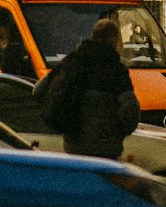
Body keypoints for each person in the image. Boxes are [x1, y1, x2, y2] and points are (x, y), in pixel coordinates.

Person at [53, 17, 141, 160]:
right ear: (113, 40)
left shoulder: (73, 61)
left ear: (93, 36)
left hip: (75, 147)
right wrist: (118, 133)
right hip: (106, 150)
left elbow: (38, 90)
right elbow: (130, 108)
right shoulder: (116, 70)